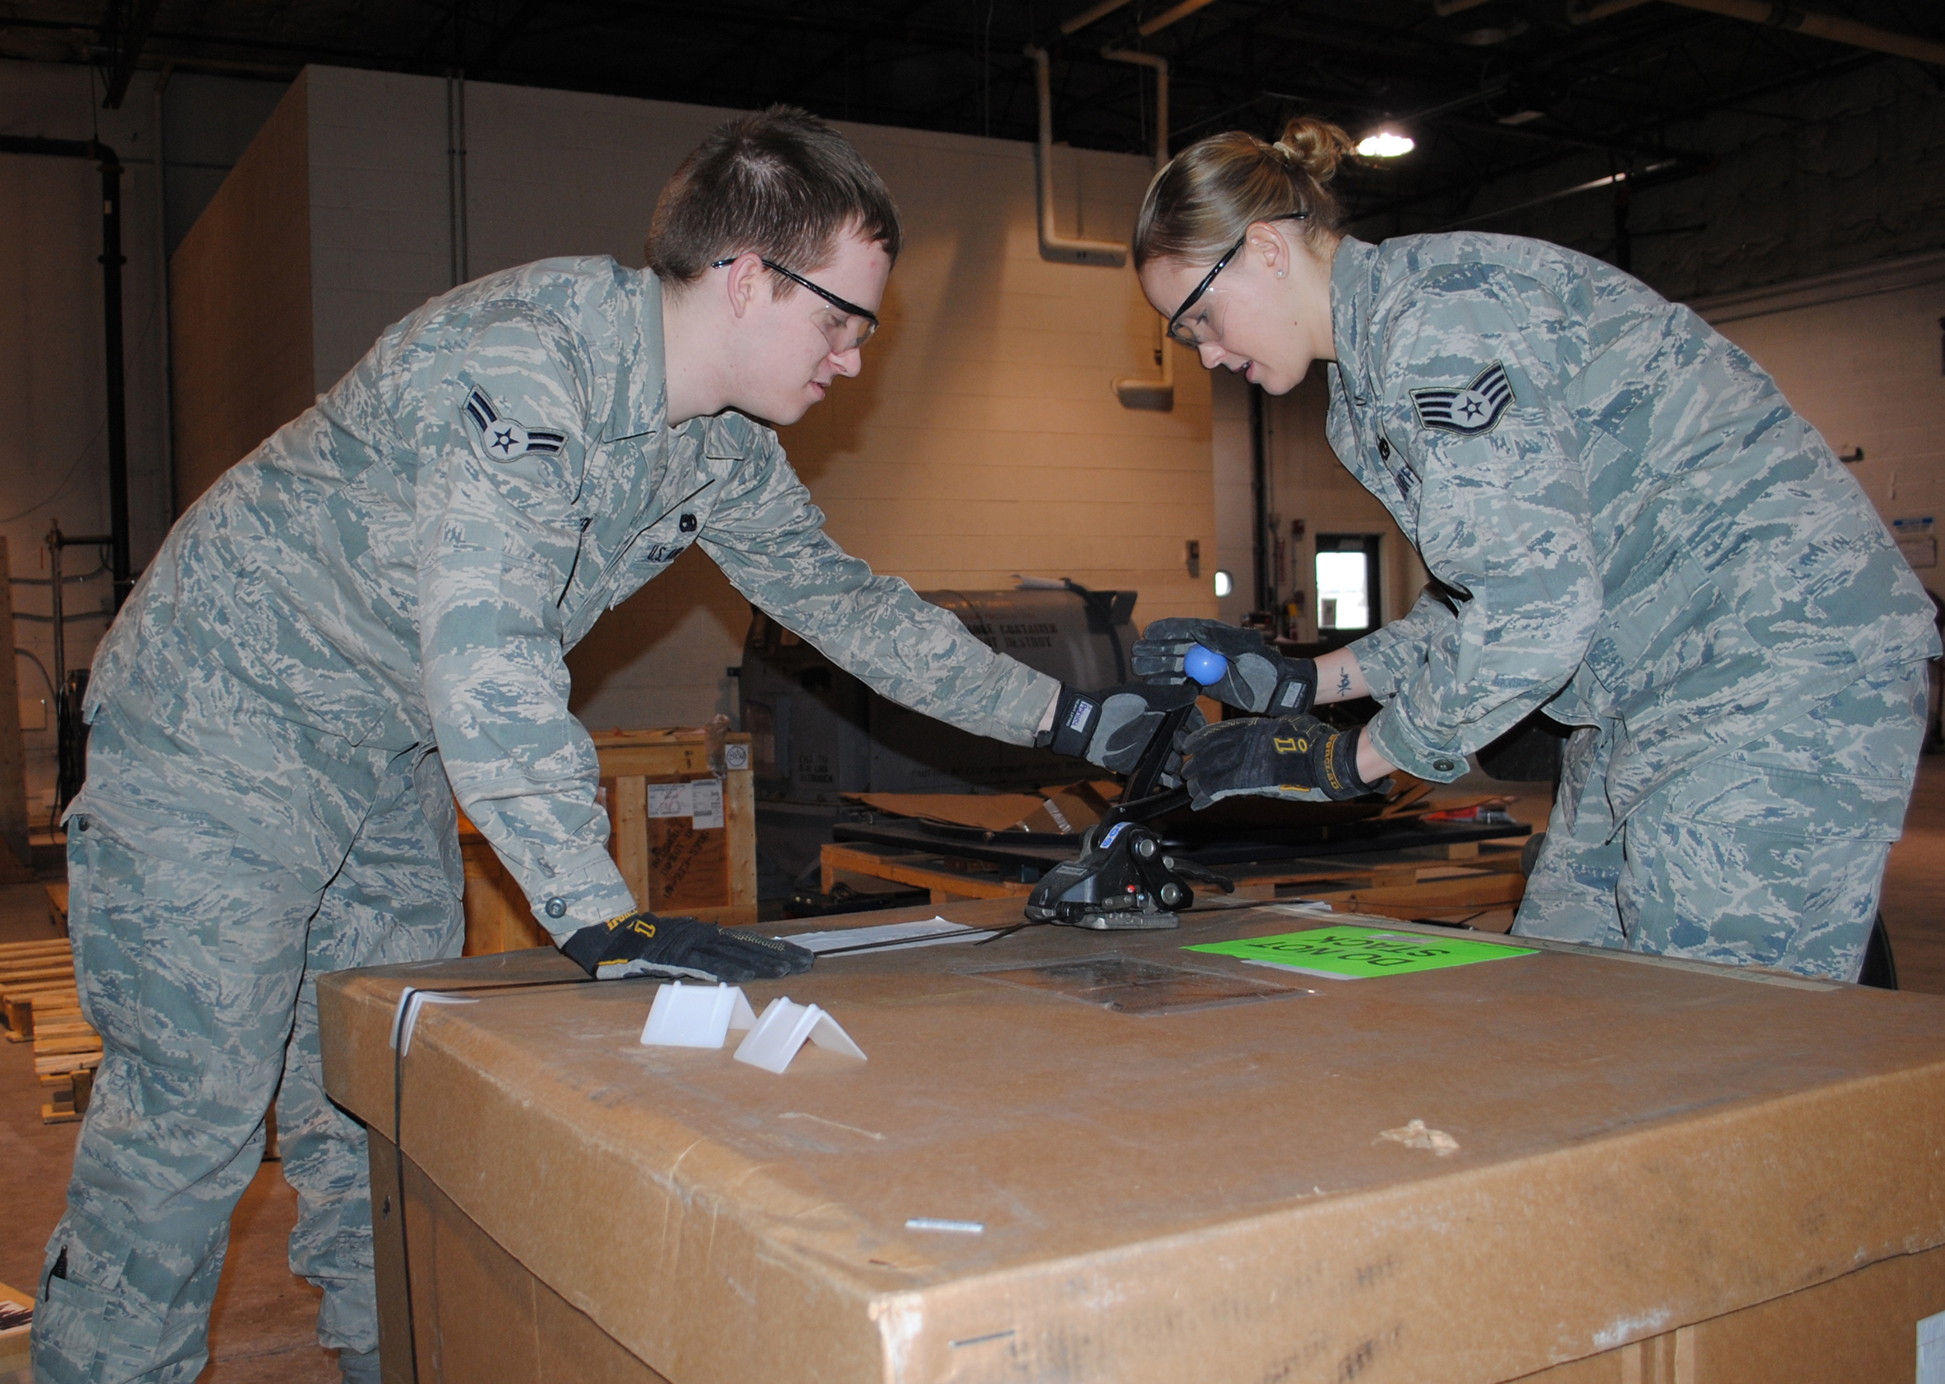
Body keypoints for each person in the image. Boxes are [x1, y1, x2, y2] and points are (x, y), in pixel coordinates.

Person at [35, 106, 1189, 1384]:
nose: (854, 359)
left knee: (373, 1105)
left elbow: (850, 606)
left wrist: (1068, 719)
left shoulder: (721, 448)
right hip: (221, 722)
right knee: (188, 1123)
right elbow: (491, 644)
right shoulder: (527, 367)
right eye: (842, 320)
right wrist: (598, 913)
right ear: (750, 278)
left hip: (387, 753)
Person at [1128, 117, 1939, 984]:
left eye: (1200, 319)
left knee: (1720, 1035)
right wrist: (1307, 682)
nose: (1207, 354)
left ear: (1267, 250)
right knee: (1560, 986)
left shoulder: (1436, 325)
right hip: (1647, 693)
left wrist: (1348, 760)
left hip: (1775, 671)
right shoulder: (1364, 388)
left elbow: (1532, 615)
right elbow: (1489, 595)